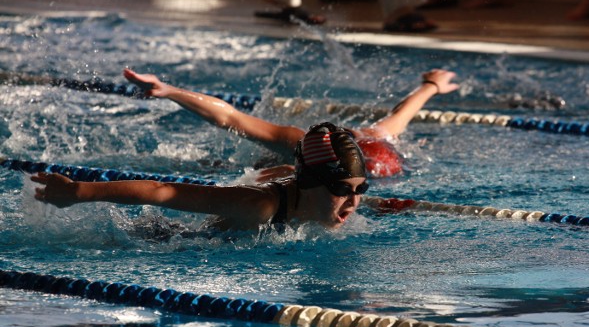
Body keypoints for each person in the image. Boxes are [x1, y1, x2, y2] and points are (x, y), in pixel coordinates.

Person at [121, 68, 459, 179]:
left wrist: (431, 85)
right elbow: (230, 117)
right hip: (281, 170)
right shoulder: (302, 142)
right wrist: (169, 91)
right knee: (232, 171)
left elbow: (404, 111)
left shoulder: (377, 139)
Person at [31, 122, 368, 232]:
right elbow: (161, 192)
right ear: (310, 183)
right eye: (341, 189)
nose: (354, 202)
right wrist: (79, 191)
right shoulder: (260, 206)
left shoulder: (326, 204)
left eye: (360, 189)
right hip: (171, 243)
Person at [254, 0, 326, 25]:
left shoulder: (303, 15)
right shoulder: (303, 13)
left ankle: (259, 14)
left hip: (292, 9)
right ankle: (259, 14)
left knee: (276, 15)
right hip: (292, 8)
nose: (318, 17)